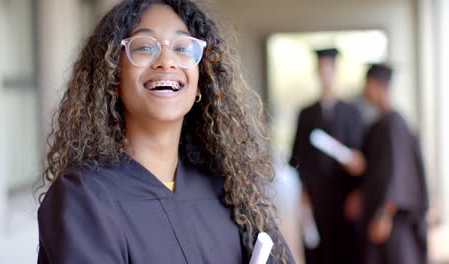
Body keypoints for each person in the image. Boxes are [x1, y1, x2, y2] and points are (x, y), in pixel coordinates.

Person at [36, 0, 295, 263]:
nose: (167, 61)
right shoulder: (84, 197)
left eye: (183, 48)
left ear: (200, 81)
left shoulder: (228, 188)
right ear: (113, 77)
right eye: (145, 47)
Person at [289, 48, 365, 264]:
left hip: (344, 194)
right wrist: (303, 192)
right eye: (321, 68)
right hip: (316, 195)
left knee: (346, 248)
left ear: (336, 71)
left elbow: (359, 157)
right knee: (318, 248)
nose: (325, 73)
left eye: (329, 68)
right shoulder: (306, 114)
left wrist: (358, 192)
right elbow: (296, 157)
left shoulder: (351, 112)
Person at [360, 64, 429, 264]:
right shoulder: (378, 124)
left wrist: (384, 214)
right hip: (380, 214)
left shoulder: (394, 125)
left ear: (381, 86)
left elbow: (398, 174)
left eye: (368, 84)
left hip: (394, 220)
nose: (365, 90)